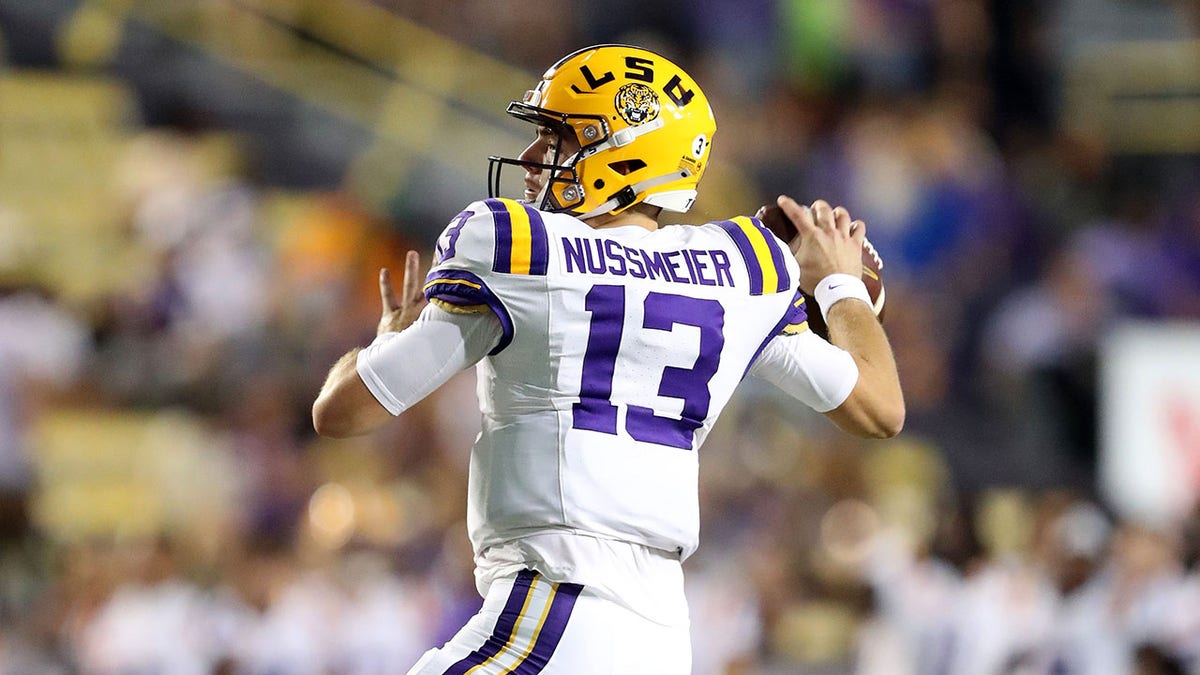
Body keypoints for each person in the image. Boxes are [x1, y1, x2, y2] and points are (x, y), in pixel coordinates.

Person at [313, 44, 904, 675]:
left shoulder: (522, 251)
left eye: (557, 137)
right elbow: (881, 409)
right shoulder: (740, 271)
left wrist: (386, 342)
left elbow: (340, 415)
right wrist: (840, 287)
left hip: (554, 609)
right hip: (661, 635)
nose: (536, 157)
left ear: (624, 151)